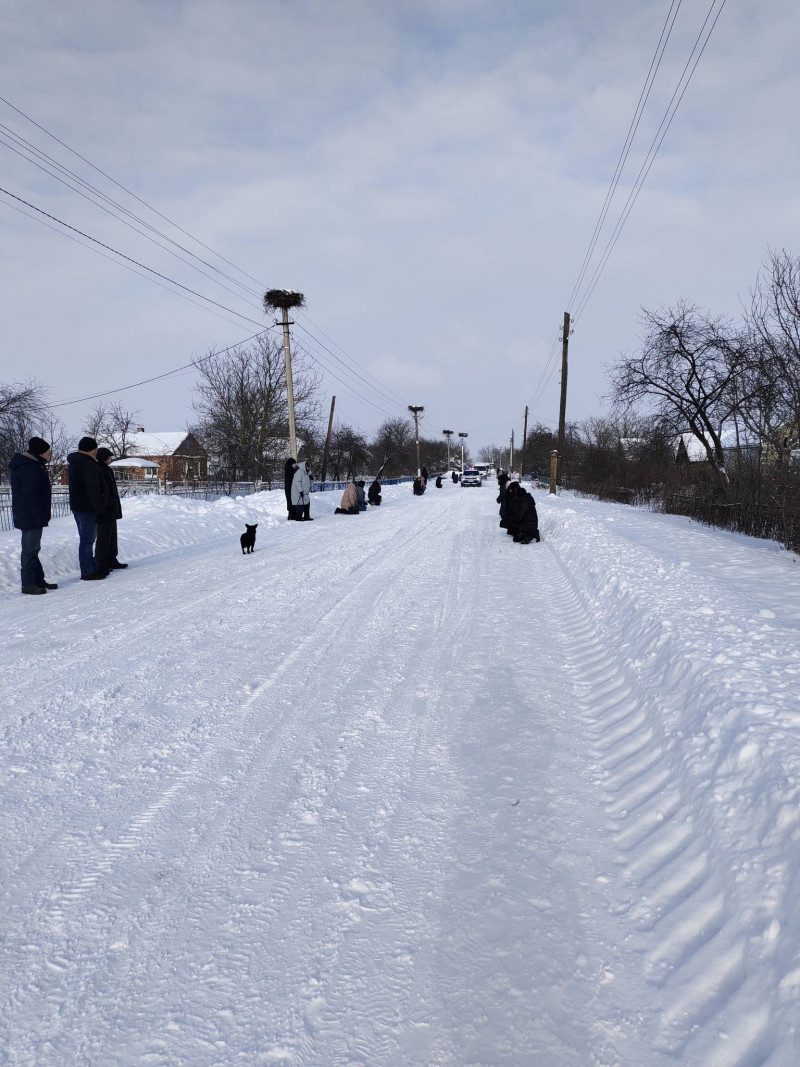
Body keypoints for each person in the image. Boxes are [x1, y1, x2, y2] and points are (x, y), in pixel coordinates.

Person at [10, 436, 56, 595]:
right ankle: (28, 583)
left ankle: (38, 579)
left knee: (33, 549)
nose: (50, 454)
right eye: (48, 451)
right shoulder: (30, 468)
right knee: (29, 550)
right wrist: (38, 516)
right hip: (30, 516)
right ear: (41, 452)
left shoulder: (32, 465)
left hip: (30, 514)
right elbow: (31, 496)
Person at [67, 436, 109, 580]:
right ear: (92, 450)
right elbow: (93, 489)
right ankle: (87, 571)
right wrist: (98, 508)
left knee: (87, 539)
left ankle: (92, 567)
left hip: (78, 506)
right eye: (96, 449)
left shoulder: (74, 463)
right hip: (88, 507)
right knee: (87, 540)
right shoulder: (88, 464)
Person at [95, 448, 128, 571]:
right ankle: (102, 561)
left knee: (112, 534)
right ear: (104, 458)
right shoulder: (100, 470)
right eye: (109, 457)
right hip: (105, 508)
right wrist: (105, 504)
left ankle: (111, 558)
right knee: (104, 535)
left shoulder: (106, 469)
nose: (111, 459)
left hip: (111, 507)